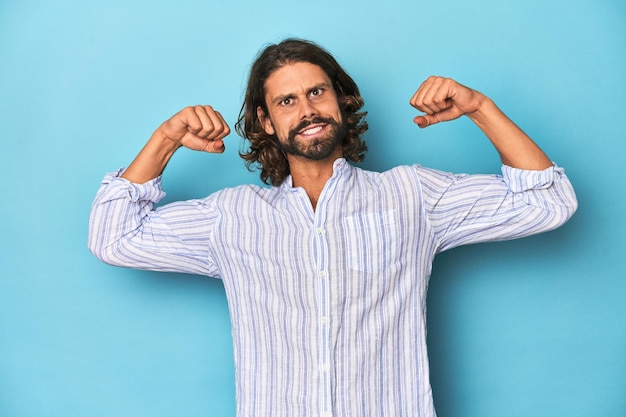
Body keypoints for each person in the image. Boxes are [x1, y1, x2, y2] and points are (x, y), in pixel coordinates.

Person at [88, 38, 577, 417]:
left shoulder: (412, 196)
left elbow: (550, 201)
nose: (306, 111)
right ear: (265, 120)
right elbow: (113, 237)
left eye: (316, 92)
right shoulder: (232, 217)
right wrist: (165, 139)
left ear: (340, 101)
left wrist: (480, 109)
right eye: (286, 102)